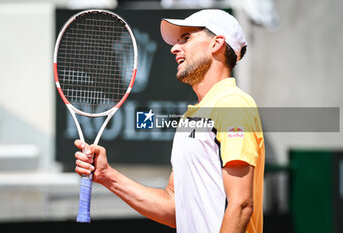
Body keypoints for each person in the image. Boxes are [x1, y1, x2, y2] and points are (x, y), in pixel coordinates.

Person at [74, 9, 265, 233]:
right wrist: (108, 176)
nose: (175, 48)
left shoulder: (232, 105)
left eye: (186, 38)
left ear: (216, 43)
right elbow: (175, 207)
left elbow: (241, 205)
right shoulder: (191, 118)